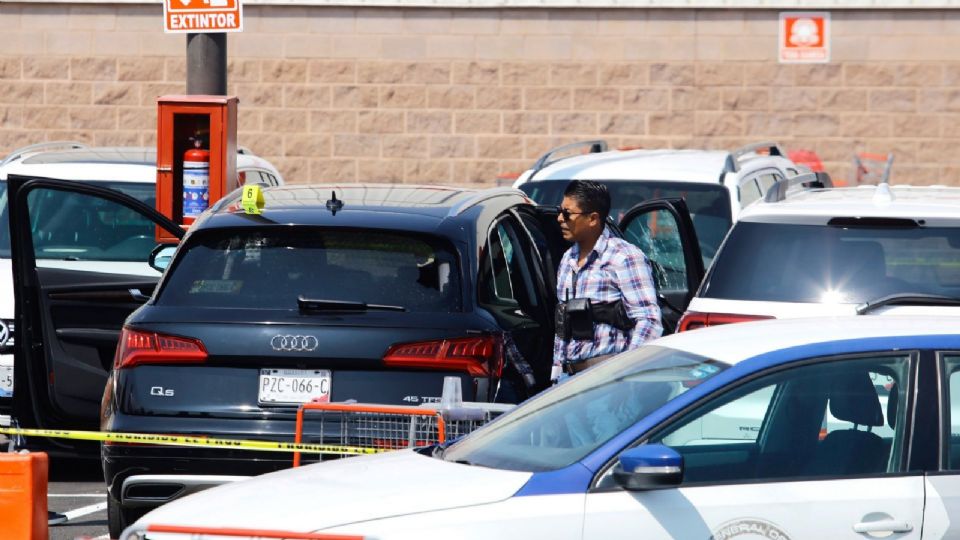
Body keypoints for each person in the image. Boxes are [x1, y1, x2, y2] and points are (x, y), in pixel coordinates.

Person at [553, 180, 662, 377]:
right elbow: (562, 325)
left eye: (568, 213)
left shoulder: (624, 257)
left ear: (593, 219)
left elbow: (649, 321)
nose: (560, 218)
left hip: (609, 378)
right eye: (559, 211)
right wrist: (556, 372)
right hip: (569, 381)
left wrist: (626, 372)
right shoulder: (567, 260)